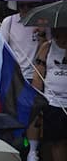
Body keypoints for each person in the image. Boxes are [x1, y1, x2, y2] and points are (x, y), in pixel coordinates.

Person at [32, 27, 67, 161]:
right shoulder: (47, 47)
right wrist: (38, 101)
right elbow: (38, 75)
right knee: (57, 141)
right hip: (53, 102)